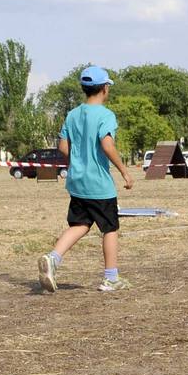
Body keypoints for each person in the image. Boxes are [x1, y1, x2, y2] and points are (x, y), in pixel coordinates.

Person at [38, 66, 134, 293]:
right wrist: (124, 171)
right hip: (99, 184)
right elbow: (107, 144)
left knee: (80, 224)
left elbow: (62, 146)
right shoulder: (106, 115)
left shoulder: (72, 114)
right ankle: (111, 278)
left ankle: (53, 258)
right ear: (105, 88)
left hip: (77, 182)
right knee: (110, 228)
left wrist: (78, 160)